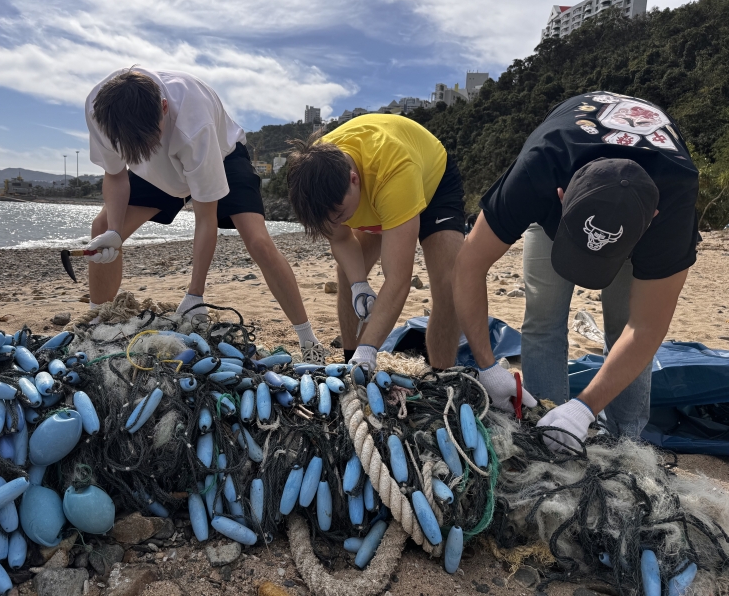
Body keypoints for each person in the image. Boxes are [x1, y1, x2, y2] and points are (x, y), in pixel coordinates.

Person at [452, 91, 699, 451]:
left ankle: (626, 441)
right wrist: (487, 365)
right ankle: (545, 424)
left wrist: (585, 409)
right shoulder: (540, 166)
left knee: (623, 322)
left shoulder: (674, 201)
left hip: (645, 203)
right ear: (561, 195)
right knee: (543, 316)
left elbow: (645, 328)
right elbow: (468, 265)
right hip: (564, 168)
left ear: (652, 222)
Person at [84, 67, 327, 363]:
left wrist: (195, 294)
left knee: (259, 242)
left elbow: (205, 218)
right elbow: (116, 175)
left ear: (164, 108)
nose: (148, 150)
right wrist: (116, 232)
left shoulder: (194, 122)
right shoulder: (100, 109)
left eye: (150, 141)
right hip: (155, 171)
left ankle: (308, 339)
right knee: (102, 226)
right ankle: (97, 321)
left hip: (222, 156)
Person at [287, 114, 467, 370]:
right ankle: (350, 360)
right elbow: (341, 241)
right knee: (347, 275)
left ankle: (440, 372)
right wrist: (360, 284)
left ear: (353, 179)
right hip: (375, 195)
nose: (337, 223)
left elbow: (398, 279)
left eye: (340, 216)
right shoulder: (315, 178)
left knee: (448, 285)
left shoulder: (392, 172)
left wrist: (369, 349)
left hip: (432, 182)